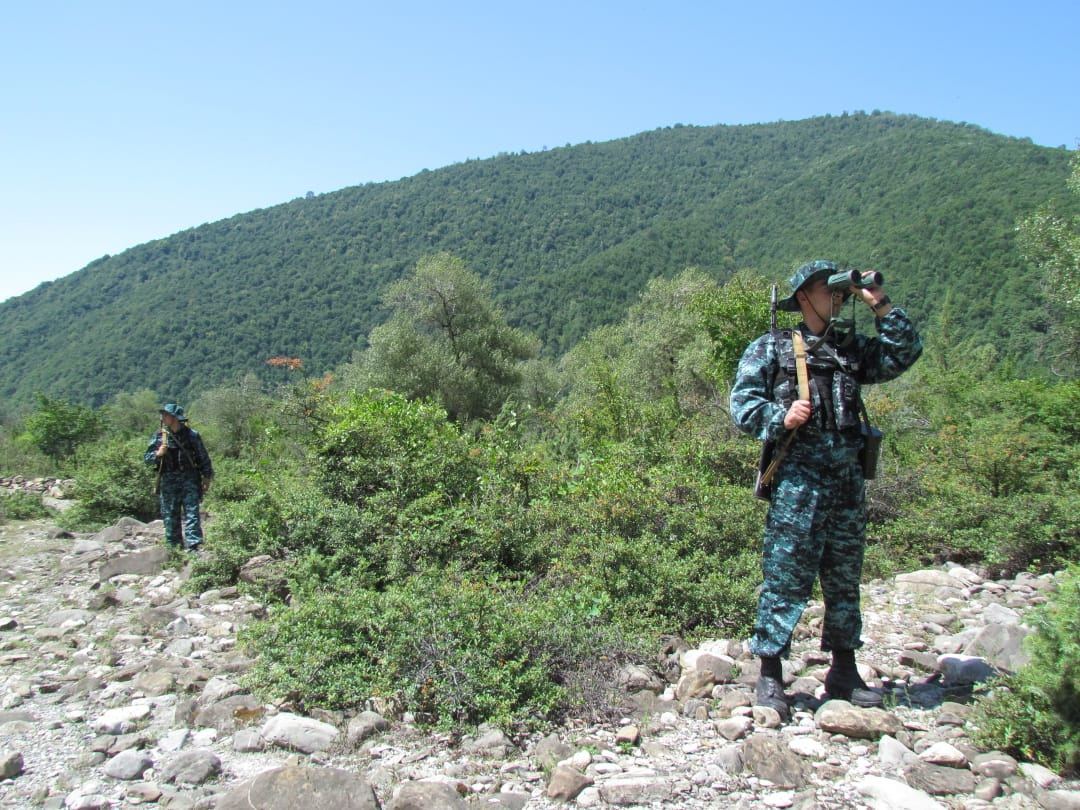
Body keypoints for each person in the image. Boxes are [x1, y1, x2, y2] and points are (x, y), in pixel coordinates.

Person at [729, 260, 922, 720]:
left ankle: (844, 672)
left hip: (846, 484)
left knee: (843, 579)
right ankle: (771, 673)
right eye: (826, 289)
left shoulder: (850, 350)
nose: (836, 296)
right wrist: (781, 418)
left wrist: (880, 305)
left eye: (838, 290)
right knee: (786, 577)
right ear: (802, 297)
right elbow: (741, 404)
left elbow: (903, 354)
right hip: (798, 485)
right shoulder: (772, 348)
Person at [144, 403, 213, 551]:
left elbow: (203, 457)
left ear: (174, 418)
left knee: (192, 513)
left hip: (189, 480)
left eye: (166, 414)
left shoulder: (192, 435)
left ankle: (193, 547)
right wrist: (158, 454)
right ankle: (174, 549)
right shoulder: (159, 437)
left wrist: (206, 478)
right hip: (168, 481)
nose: (163, 417)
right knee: (170, 515)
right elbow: (147, 458)